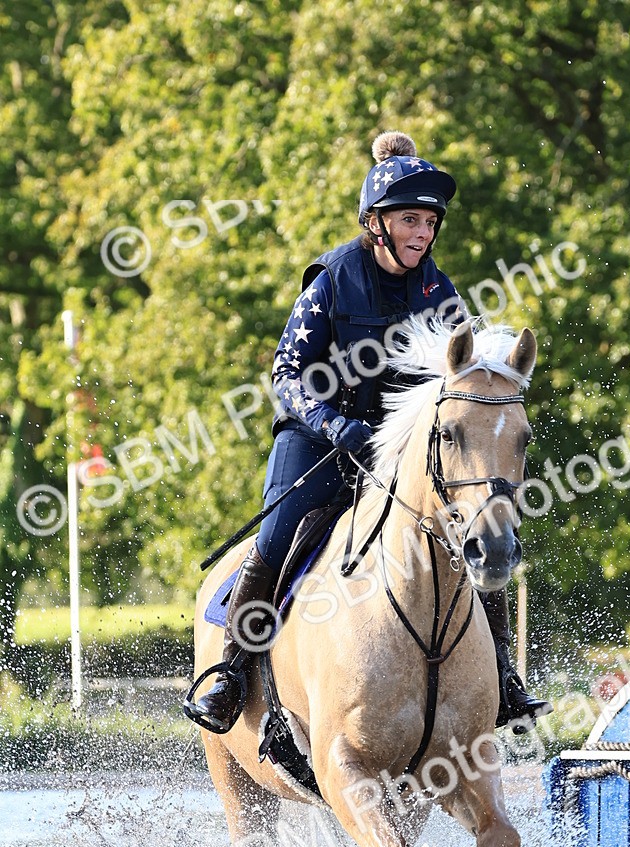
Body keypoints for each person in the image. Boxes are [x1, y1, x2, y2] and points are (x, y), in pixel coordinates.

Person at [185, 131, 550, 733]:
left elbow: (460, 384)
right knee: (277, 538)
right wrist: (335, 425)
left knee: (475, 535)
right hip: (316, 438)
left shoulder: (440, 291)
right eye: (411, 220)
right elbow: (287, 373)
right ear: (375, 223)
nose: (423, 234)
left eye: (430, 223)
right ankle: (230, 671)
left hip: (399, 445)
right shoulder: (330, 280)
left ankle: (503, 679)